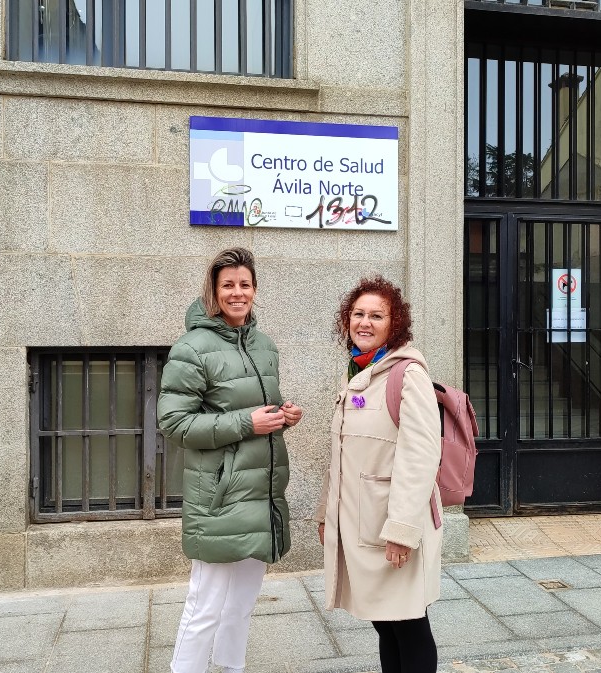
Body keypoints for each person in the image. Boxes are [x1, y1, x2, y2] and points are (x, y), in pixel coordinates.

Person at [158, 247, 304, 673]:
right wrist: (246, 422)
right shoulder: (192, 348)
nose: (237, 293)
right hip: (219, 495)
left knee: (242, 602)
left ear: (254, 289)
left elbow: (259, 408)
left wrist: (283, 416)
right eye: (228, 285)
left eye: (245, 284)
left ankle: (230, 667)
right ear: (214, 290)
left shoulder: (264, 345)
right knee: (205, 604)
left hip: (260, 491)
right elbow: (174, 423)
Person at [314, 275, 442, 673]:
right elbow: (341, 453)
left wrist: (401, 531)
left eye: (376, 315)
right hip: (360, 522)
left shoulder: (407, 374)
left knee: (409, 624)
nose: (364, 322)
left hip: (393, 524)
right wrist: (326, 513)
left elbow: (420, 457)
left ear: (394, 324)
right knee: (385, 623)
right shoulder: (358, 372)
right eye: (358, 314)